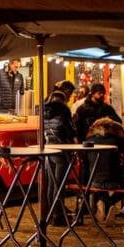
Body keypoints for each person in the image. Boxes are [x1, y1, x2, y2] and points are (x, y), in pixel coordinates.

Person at [83, 116, 124, 221]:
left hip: (94, 182)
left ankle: (102, 202)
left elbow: (85, 163)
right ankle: (109, 203)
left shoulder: (88, 141)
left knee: (100, 178)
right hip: (114, 181)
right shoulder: (117, 140)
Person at [43, 89, 77, 225]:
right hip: (62, 148)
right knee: (60, 184)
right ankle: (58, 215)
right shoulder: (63, 110)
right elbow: (69, 130)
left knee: (51, 183)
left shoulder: (44, 111)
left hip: (48, 148)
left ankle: (50, 213)